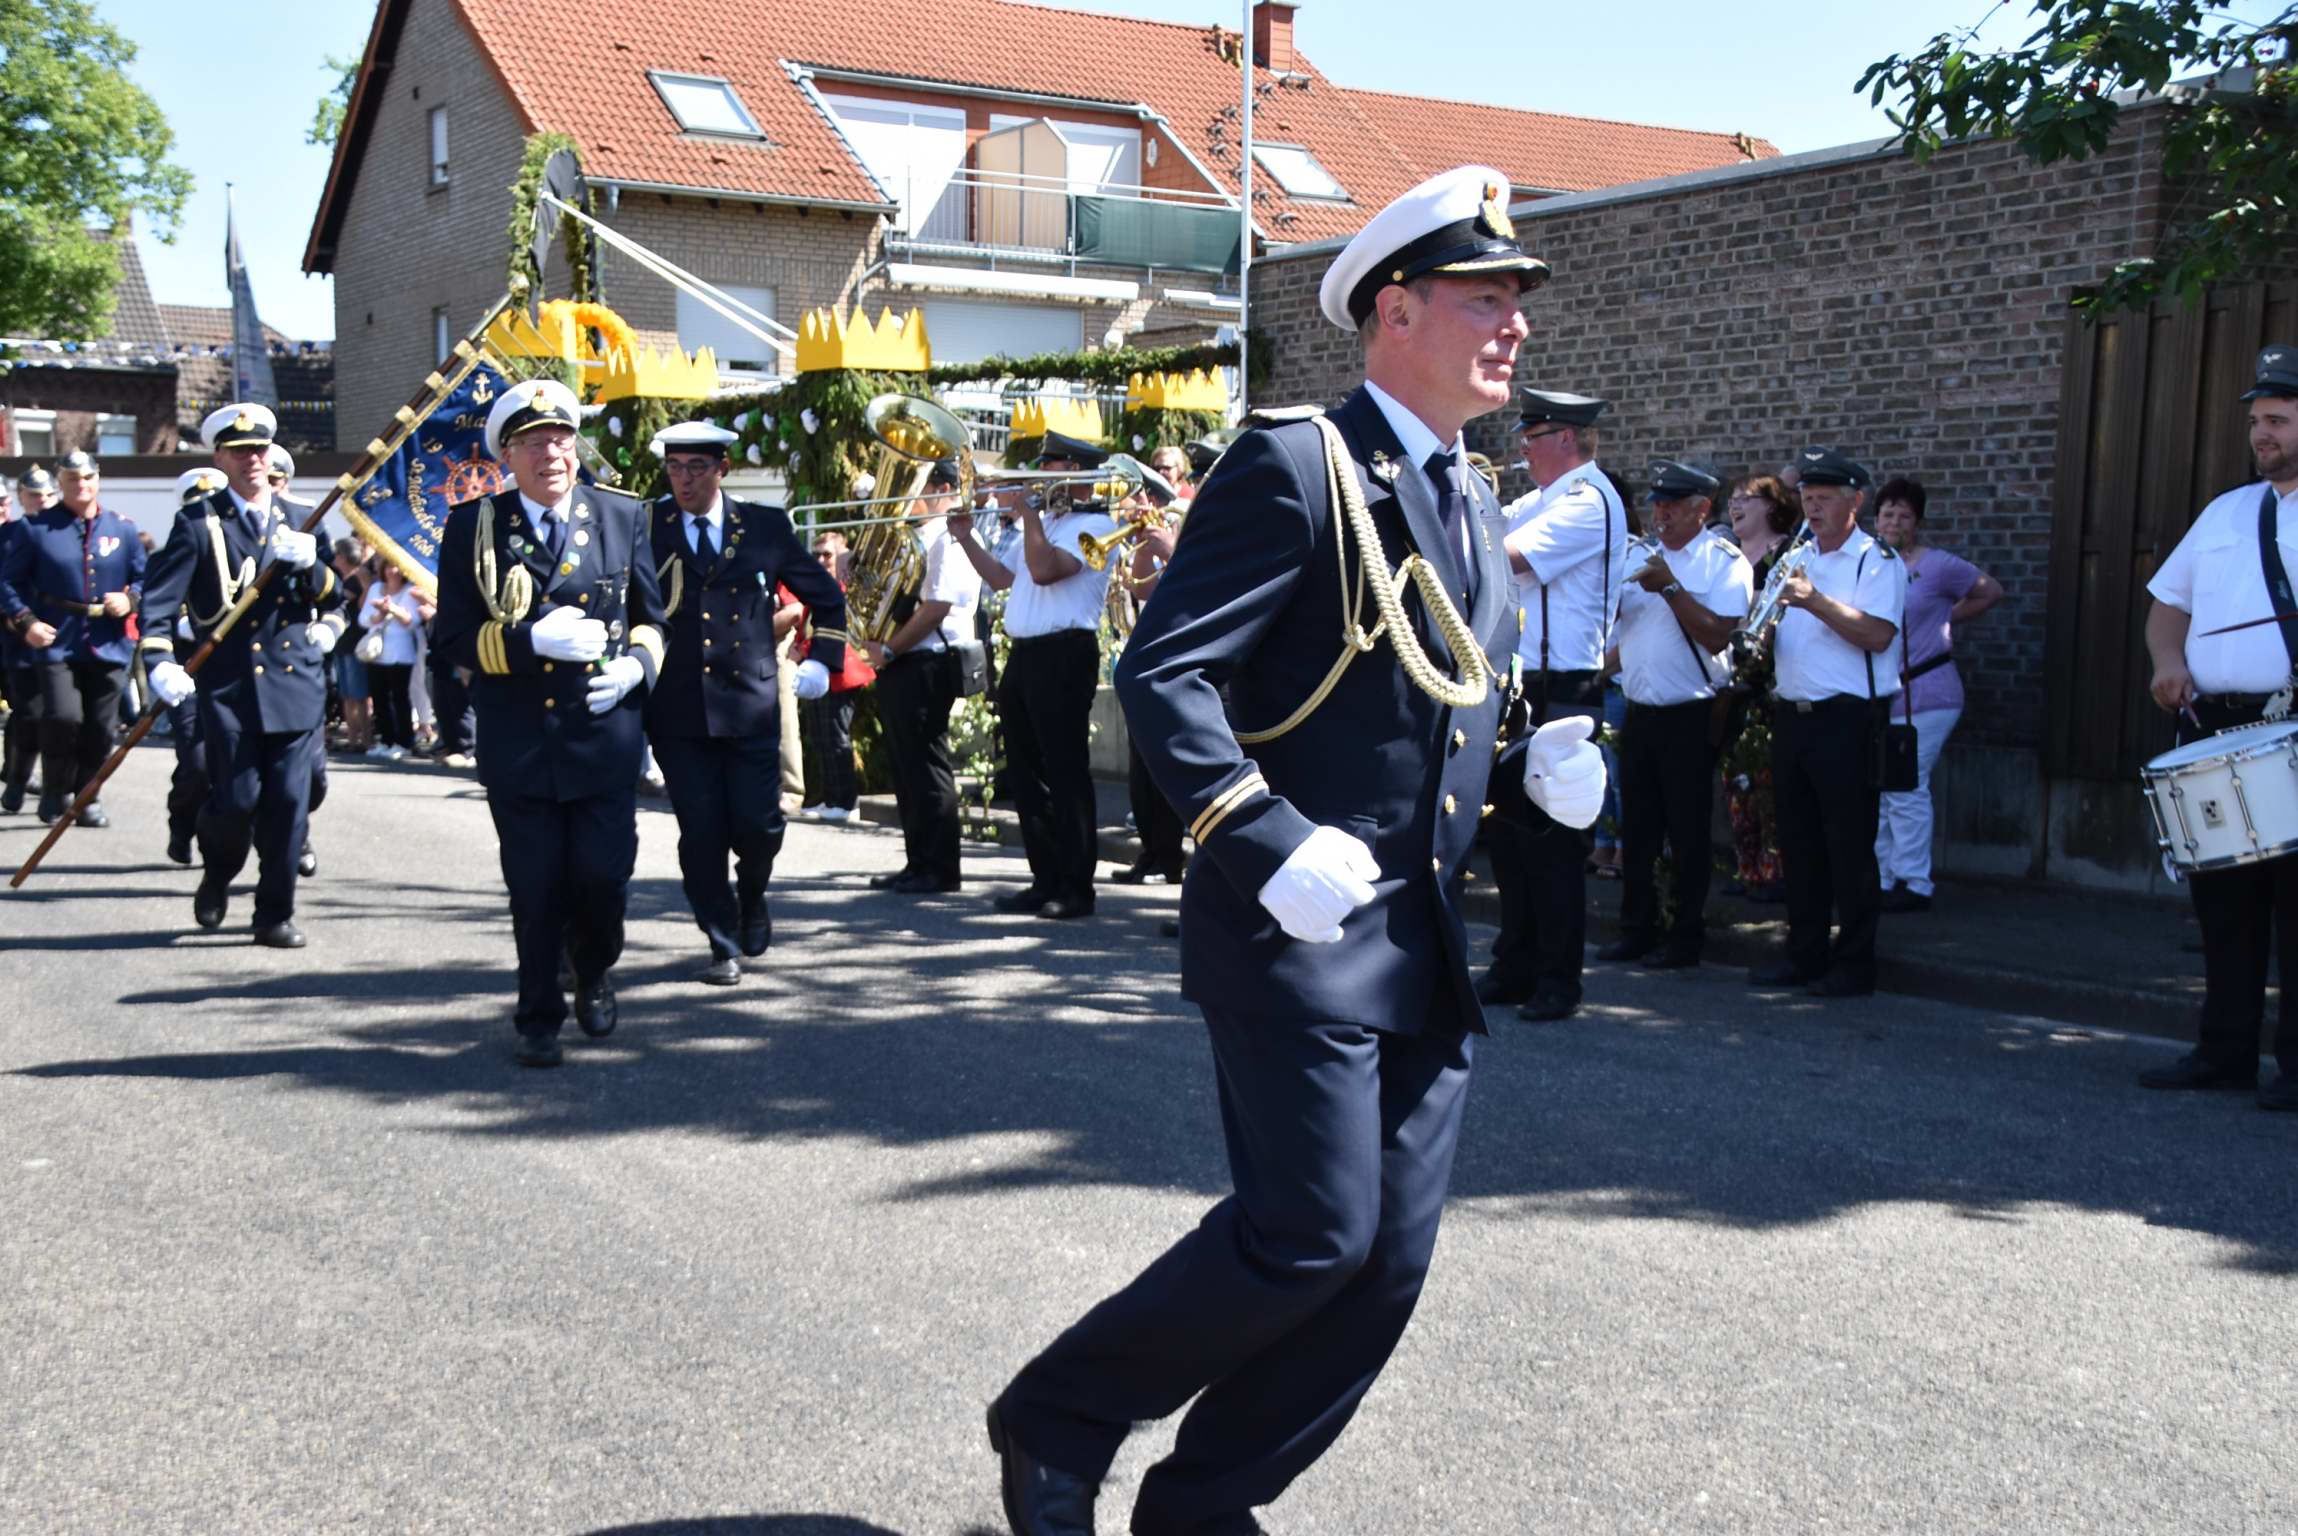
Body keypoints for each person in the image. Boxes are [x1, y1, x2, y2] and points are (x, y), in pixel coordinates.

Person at [987, 164, 1605, 1536]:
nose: (1514, 324)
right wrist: (1260, 838)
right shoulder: (1298, 464)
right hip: (1296, 930)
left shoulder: (1470, 495)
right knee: (1309, 1234)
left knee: (1384, 1264)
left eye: (1518, 300)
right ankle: (1058, 1417)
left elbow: (1428, 712)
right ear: (1396, 310)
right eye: (1483, 297)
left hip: (1416, 946)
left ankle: (1202, 1507)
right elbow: (1165, 674)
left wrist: (1531, 771)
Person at [432, 378, 666, 1065]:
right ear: (507, 456)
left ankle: (592, 969)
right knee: (534, 890)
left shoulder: (624, 515)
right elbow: (453, 639)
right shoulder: (475, 525)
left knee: (603, 881)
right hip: (522, 740)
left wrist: (637, 669)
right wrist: (528, 641)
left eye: (561, 440)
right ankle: (538, 1016)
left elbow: (653, 619)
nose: (551, 455)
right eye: (533, 444)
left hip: (602, 736)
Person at [2139, 343, 2298, 1110]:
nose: (2261, 433)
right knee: (2224, 903)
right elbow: (2169, 605)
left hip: (2290, 726)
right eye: (2257, 420)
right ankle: (2225, 1051)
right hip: (2213, 725)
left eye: (2279, 420)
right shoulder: (2226, 511)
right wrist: (2167, 660)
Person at [641, 419, 841, 986]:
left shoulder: (763, 526)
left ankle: (752, 895)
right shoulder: (647, 526)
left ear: (722, 469)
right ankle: (721, 939)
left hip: (749, 703)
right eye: (674, 467)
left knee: (759, 827)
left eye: (696, 467)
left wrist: (822, 660)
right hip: (679, 709)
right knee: (701, 833)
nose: (684, 479)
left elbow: (826, 596)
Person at [137, 404, 340, 947]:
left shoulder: (302, 518)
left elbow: (336, 595)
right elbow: (159, 604)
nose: (252, 460)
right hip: (231, 688)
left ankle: (274, 914)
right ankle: (217, 872)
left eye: (259, 450)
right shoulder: (198, 521)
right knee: (237, 802)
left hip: (295, 683)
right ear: (220, 458)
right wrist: (160, 662)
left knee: (289, 805)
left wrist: (314, 567)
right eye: (239, 451)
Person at [1484, 388, 1628, 1020]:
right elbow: (1483, 528)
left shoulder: (1587, 501)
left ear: (1565, 438)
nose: (1523, 448)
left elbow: (1506, 558)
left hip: (1564, 686)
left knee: (1554, 840)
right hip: (1523, 682)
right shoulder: (1540, 500)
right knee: (1509, 835)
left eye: (1532, 437)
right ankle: (1514, 963)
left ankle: (1558, 979)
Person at [1747, 448, 1906, 998]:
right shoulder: (1798, 555)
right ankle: (1805, 953)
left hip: (1848, 719)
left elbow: (1878, 635)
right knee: (1799, 845)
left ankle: (1855, 964)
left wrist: (1814, 601)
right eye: (1807, 499)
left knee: (1849, 847)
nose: (1812, 509)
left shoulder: (1875, 560)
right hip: (1793, 715)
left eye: (1823, 500)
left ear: (1854, 501)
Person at [949, 430, 1121, 920]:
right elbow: (1001, 578)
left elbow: (1045, 571)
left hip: (1064, 654)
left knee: (1064, 771)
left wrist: (1025, 514)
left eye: (1050, 465)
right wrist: (965, 538)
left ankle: (1076, 888)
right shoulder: (1046, 522)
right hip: (1026, 656)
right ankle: (1044, 879)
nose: (1039, 473)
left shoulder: (1098, 526)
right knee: (1025, 774)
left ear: (1075, 471)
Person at [1597, 459, 1752, 969]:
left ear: (1702, 509)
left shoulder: (1723, 561)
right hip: (1640, 711)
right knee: (1638, 830)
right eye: (1656, 505)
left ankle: (1685, 937)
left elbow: (1717, 635)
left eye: (1672, 506)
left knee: (1687, 833)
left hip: (1691, 714)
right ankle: (1636, 929)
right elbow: (1618, 628)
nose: (1660, 515)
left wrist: (1669, 587)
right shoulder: (1638, 556)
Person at [1870, 476, 2002, 912]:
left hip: (1928, 692)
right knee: (1883, 788)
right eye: (1887, 514)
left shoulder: (1938, 565)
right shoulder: (1870, 563)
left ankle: (1914, 882)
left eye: (1904, 516)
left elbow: (1989, 591)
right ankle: (1882, 877)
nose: (1894, 522)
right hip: (1885, 695)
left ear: (1918, 523)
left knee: (1906, 787)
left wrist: (1947, 618)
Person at [0, 450, 147, 827]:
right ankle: (54, 789)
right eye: (71, 479)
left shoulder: (122, 528)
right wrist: (26, 621)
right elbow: (8, 582)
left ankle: (87, 796)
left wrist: (130, 599)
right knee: (62, 718)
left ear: (98, 479)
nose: (81, 485)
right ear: (61, 482)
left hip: (108, 640)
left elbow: (146, 578)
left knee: (101, 728)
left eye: (87, 477)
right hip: (57, 640)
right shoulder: (36, 529)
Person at [866, 458, 983, 895]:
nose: (906, 496)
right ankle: (918, 862)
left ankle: (940, 867)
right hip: (908, 659)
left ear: (940, 488)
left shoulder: (947, 539)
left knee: (927, 765)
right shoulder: (924, 536)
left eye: (914, 484)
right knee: (907, 765)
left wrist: (890, 648)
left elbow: (936, 608)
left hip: (927, 659)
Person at [1721, 475, 1799, 900]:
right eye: (1732, 499)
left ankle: (1776, 871)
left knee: (1767, 780)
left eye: (1745, 499)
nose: (1734, 506)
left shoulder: (1786, 554)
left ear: (1771, 506)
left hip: (1768, 683)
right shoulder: (1726, 555)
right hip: (1730, 681)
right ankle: (1747, 867)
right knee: (1737, 780)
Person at [1111, 479, 1186, 886]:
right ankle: (1150, 853)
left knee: (1166, 771)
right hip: (1148, 661)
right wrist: (1145, 546)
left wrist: (1168, 549)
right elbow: (1142, 588)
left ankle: (1169, 859)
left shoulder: (1185, 525)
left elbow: (1197, 584)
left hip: (1179, 662)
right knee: (1141, 770)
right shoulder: (1158, 531)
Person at [796, 530, 873, 824]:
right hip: (817, 668)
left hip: (841, 671)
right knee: (820, 735)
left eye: (827, 555)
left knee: (836, 736)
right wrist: (799, 646)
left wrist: (804, 648)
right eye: (816, 555)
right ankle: (831, 799)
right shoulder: (819, 587)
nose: (820, 560)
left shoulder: (846, 590)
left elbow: (840, 631)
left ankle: (846, 802)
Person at [0, 465, 57, 814]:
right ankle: (17, 777)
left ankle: (34, 780)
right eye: (35, 495)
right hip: (17, 635)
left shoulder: (65, 530)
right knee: (29, 712)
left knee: (54, 715)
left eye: (49, 495)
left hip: (55, 636)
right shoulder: (11, 535)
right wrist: (16, 618)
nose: (43, 501)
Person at [359, 563, 424, 760]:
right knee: (380, 698)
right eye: (388, 567)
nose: (392, 572)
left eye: (396, 568)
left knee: (400, 699)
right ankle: (385, 740)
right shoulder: (375, 588)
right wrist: (379, 614)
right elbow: (363, 619)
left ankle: (404, 742)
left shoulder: (410, 591)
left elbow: (412, 621)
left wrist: (392, 609)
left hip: (401, 653)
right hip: (376, 652)